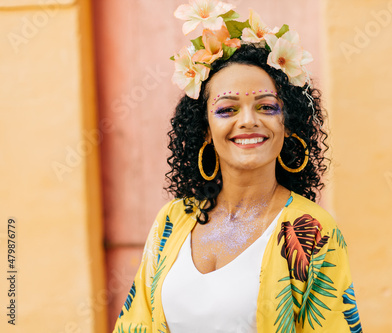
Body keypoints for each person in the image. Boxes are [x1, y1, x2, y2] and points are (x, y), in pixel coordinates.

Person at [113, 1, 362, 332]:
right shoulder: (172, 220)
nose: (248, 121)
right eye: (227, 109)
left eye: (266, 107)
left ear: (288, 125)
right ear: (205, 129)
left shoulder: (312, 231)